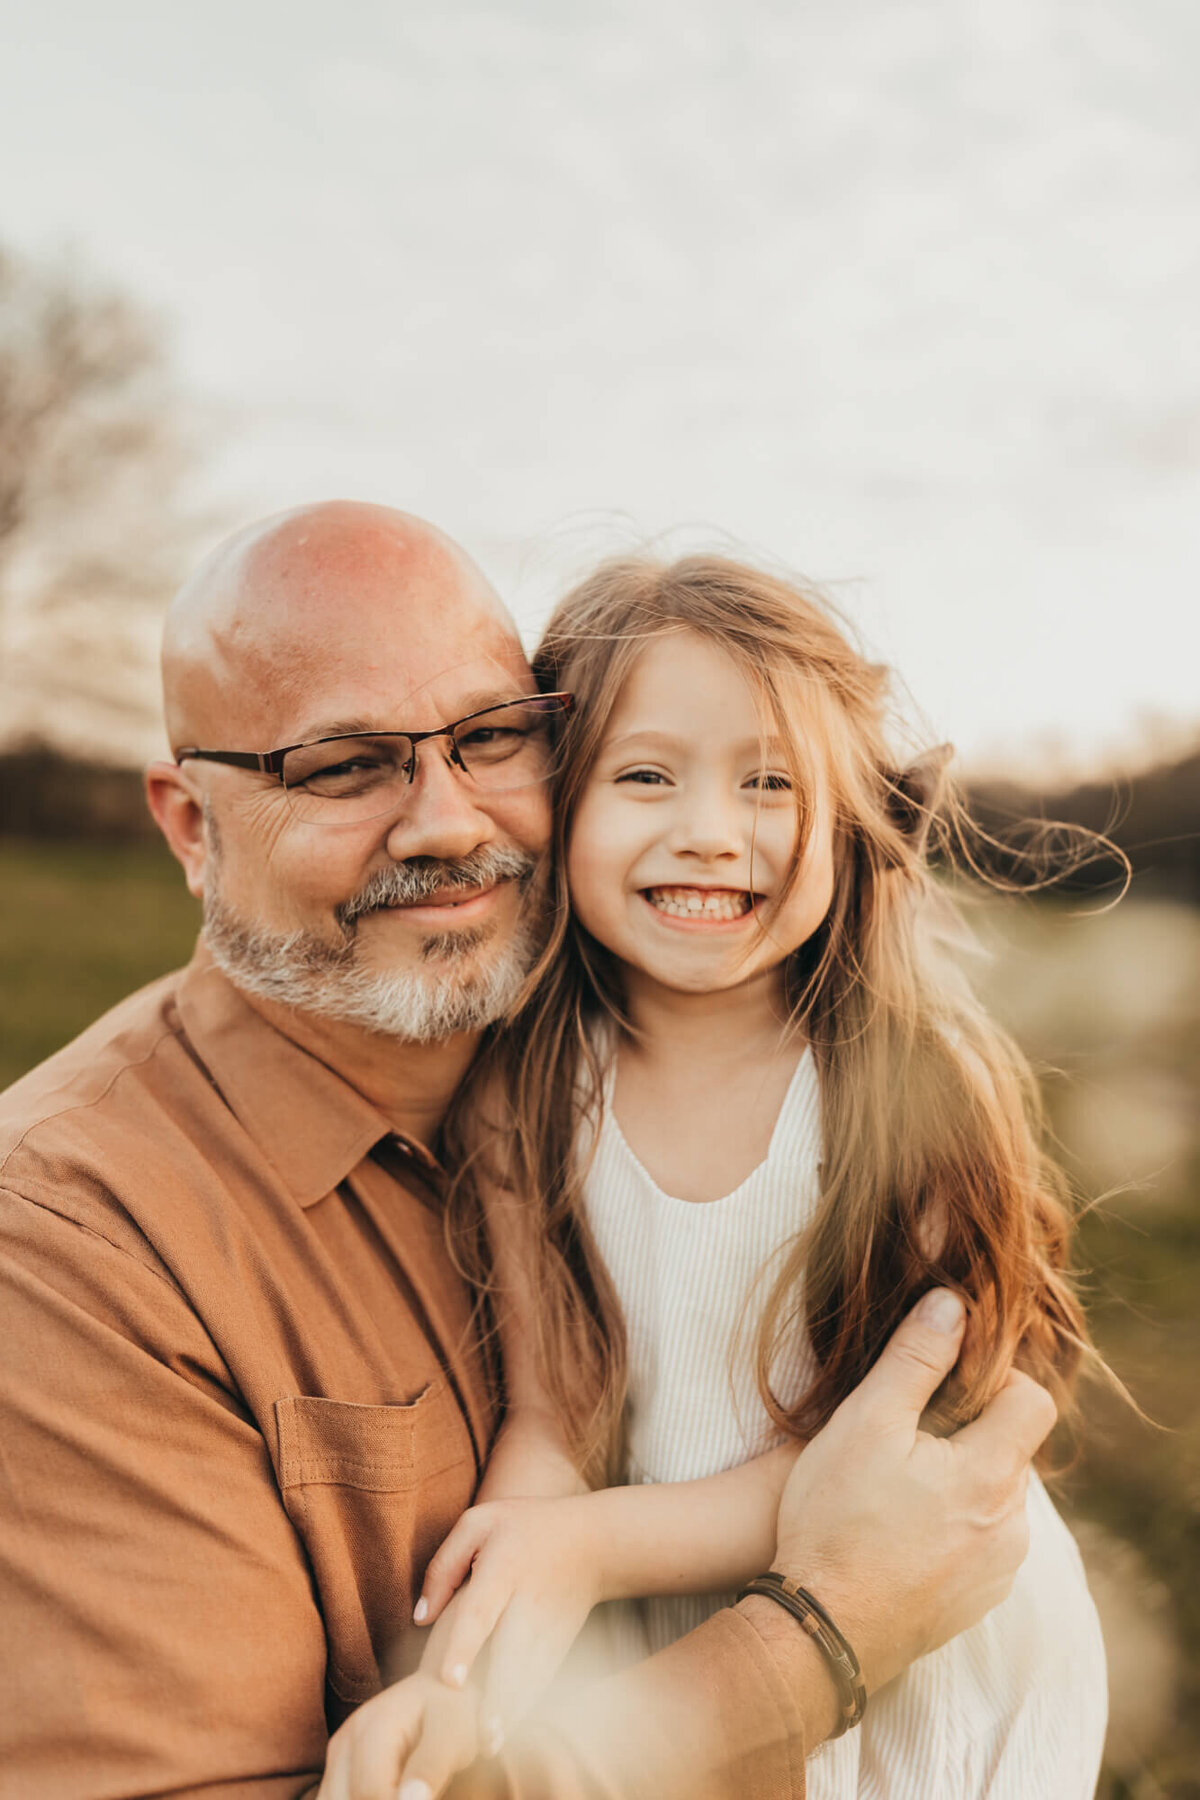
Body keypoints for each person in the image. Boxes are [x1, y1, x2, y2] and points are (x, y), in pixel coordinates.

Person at [0, 503, 1056, 1800]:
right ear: (186, 823)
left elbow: (945, 1413)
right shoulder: (69, 1249)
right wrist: (805, 1642)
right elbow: (550, 1465)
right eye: (343, 765)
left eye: (492, 738)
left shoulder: (662, 1062)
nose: (447, 824)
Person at [355, 553, 1107, 1800]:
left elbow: (888, 1464)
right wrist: (479, 1643)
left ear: (849, 817)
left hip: (921, 1624)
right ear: (558, 805)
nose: (708, 831)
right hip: (668, 1612)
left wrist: (591, 1547)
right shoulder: (529, 1097)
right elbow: (554, 1418)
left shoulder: (903, 1086)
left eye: (770, 783)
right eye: (646, 776)